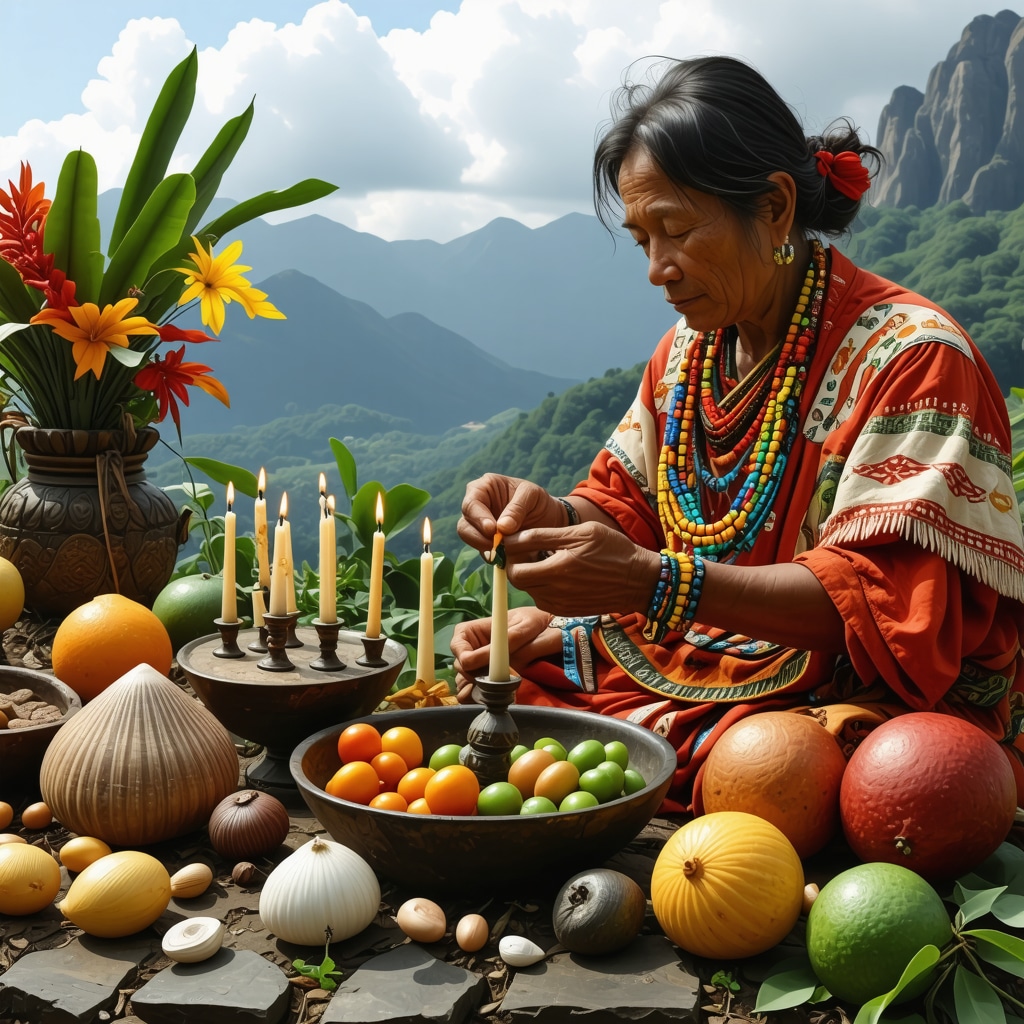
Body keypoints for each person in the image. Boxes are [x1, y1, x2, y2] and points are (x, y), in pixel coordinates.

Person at [450, 55, 1024, 813]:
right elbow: (622, 508)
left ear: (776, 208)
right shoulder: (687, 356)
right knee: (512, 673)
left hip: (854, 685)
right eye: (641, 240)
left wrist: (648, 581)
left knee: (810, 775)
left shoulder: (914, 359)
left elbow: (882, 609)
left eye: (677, 230)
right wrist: (544, 519)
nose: (657, 269)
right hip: (716, 653)